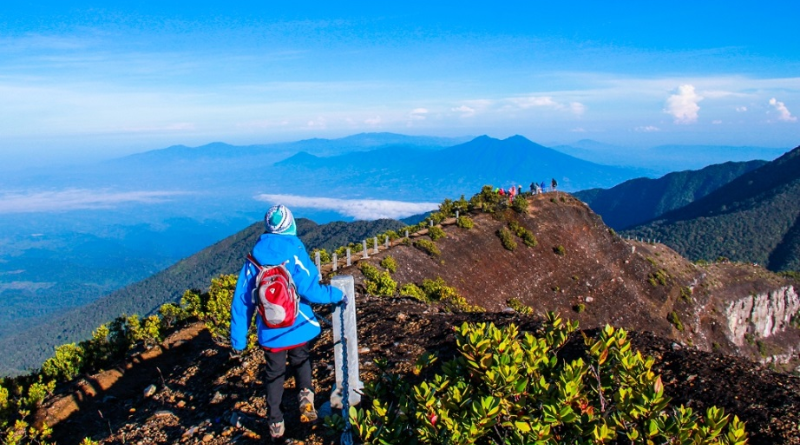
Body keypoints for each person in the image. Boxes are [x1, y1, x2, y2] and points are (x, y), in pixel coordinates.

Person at [230, 204, 346, 440]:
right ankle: (305, 396)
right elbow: (311, 289)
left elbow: (242, 302)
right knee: (301, 359)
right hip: (297, 326)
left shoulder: (253, 259)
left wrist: (238, 339)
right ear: (290, 225)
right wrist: (337, 294)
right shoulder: (294, 251)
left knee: (274, 374)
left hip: (270, 331)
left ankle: (276, 423)